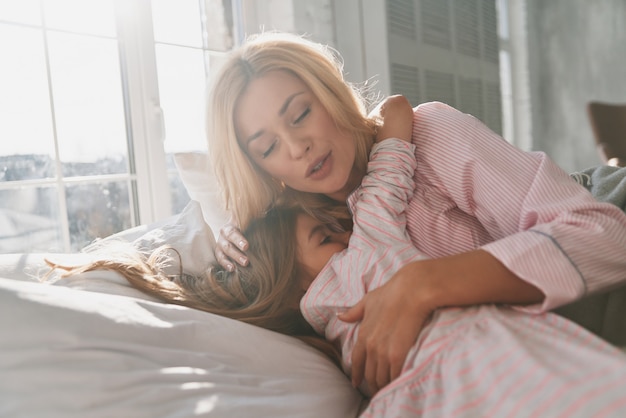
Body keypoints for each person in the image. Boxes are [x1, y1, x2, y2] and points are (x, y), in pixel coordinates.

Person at [208, 31, 626, 393]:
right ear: (258, 167)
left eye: (301, 114)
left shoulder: (429, 133)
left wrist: (425, 284)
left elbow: (606, 237)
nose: (297, 147)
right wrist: (231, 234)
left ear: (330, 92)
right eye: (267, 148)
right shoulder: (299, 239)